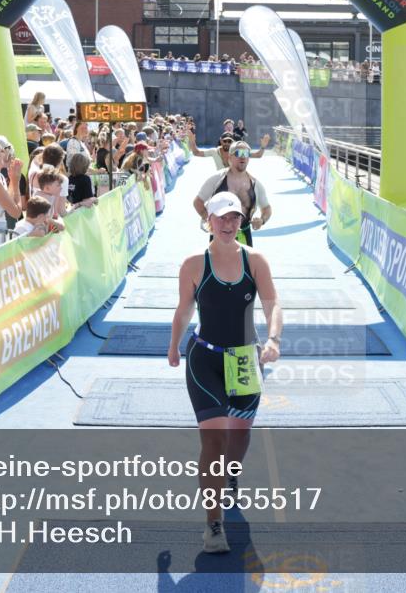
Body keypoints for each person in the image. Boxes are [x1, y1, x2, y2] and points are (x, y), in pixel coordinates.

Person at [167, 191, 282, 554]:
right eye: (222, 218)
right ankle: (213, 524)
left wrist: (274, 339)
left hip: (246, 359)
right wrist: (173, 345)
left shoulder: (256, 261)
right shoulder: (193, 264)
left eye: (234, 218)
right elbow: (184, 309)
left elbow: (272, 303)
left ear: (241, 221)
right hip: (205, 359)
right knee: (213, 441)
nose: (229, 225)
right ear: (209, 222)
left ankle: (231, 474)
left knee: (238, 437)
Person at [193, 141, 271, 247]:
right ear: (230, 158)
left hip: (244, 235)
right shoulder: (217, 179)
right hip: (219, 236)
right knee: (216, 264)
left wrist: (262, 220)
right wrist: (208, 219)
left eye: (246, 153)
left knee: (244, 263)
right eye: (238, 153)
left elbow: (266, 208)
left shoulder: (256, 184)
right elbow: (198, 202)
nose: (243, 157)